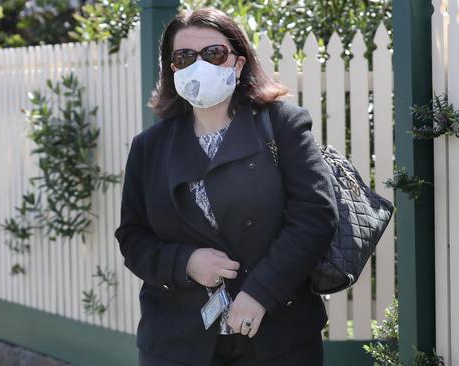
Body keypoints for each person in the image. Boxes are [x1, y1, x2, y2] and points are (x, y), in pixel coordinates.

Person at [114, 7, 338, 366]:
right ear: (173, 69)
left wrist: (262, 292)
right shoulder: (149, 147)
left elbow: (315, 216)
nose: (198, 65)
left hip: (277, 337)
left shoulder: (282, 126)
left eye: (213, 54)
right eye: (185, 56)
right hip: (176, 342)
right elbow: (133, 237)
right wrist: (185, 262)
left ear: (238, 62)